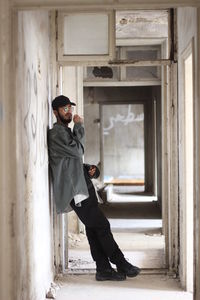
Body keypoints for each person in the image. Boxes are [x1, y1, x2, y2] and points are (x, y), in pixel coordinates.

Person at [48, 95, 141, 281]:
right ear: (55, 112)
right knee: (102, 225)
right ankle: (121, 263)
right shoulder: (57, 133)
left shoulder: (65, 132)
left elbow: (72, 161)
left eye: (70, 108)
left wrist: (89, 170)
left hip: (81, 185)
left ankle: (104, 270)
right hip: (76, 191)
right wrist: (80, 126)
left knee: (93, 228)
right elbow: (78, 151)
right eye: (64, 109)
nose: (69, 112)